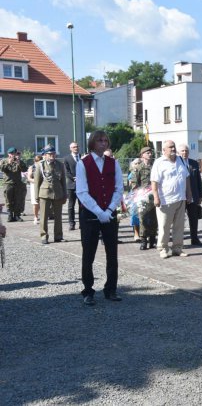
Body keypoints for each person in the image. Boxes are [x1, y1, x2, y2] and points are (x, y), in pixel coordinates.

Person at [76, 130, 124, 305]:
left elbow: (119, 188)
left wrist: (110, 209)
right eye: (99, 141)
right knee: (88, 253)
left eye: (105, 141)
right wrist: (99, 211)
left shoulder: (113, 163)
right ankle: (88, 290)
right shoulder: (83, 164)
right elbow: (81, 191)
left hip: (109, 213)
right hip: (90, 214)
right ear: (92, 143)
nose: (103, 143)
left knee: (112, 253)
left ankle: (111, 289)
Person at [151, 140, 192, 259]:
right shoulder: (159, 162)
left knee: (179, 226)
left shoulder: (181, 160)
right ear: (164, 150)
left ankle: (177, 248)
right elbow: (154, 181)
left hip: (180, 198)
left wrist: (189, 194)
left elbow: (187, 177)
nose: (173, 149)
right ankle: (163, 248)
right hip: (165, 200)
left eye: (174, 147)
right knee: (164, 226)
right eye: (170, 147)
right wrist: (156, 197)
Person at [34, 146, 68, 244]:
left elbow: (63, 181)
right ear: (45, 155)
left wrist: (65, 195)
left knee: (58, 217)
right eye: (50, 154)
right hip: (44, 194)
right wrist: (37, 196)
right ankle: (44, 236)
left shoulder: (60, 165)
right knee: (44, 217)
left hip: (58, 193)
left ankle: (58, 236)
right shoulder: (40, 165)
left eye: (53, 154)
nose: (52, 156)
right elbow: (37, 182)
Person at [178, 144, 202, 246]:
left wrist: (200, 195)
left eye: (186, 151)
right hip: (180, 196)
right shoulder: (176, 163)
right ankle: (179, 240)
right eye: (182, 151)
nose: (185, 153)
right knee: (179, 219)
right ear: (179, 152)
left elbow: (198, 180)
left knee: (194, 218)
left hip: (193, 196)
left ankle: (195, 238)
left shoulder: (194, 163)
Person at [132, 147, 157, 250]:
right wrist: (138, 193)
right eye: (147, 153)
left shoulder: (155, 167)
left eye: (150, 152)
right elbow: (134, 183)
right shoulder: (139, 168)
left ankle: (152, 240)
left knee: (154, 219)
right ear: (142, 155)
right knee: (143, 219)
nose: (150, 154)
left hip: (154, 196)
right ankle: (143, 241)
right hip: (143, 198)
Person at [0, 147, 28, 222]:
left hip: (17, 184)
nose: (13, 155)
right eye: (11, 154)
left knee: (17, 200)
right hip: (8, 183)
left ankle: (17, 215)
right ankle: (10, 215)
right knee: (8, 200)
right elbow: (2, 169)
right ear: (8, 154)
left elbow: (25, 169)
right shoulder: (4, 161)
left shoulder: (19, 161)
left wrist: (19, 164)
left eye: (14, 153)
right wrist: (8, 163)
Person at [63, 142, 81, 231]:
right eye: (74, 147)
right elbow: (66, 171)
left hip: (82, 185)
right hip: (71, 185)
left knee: (82, 205)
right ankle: (71, 223)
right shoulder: (67, 158)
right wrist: (74, 178)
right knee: (71, 205)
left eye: (77, 146)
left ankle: (82, 223)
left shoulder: (82, 157)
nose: (76, 148)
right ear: (70, 148)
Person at [127, 158, 142, 242]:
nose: (137, 165)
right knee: (135, 215)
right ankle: (136, 233)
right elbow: (131, 185)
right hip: (135, 196)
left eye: (139, 163)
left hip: (144, 195)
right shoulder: (132, 174)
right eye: (135, 163)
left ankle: (145, 233)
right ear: (132, 165)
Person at [27, 155, 43, 226]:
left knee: (43, 202)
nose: (38, 163)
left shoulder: (43, 167)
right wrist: (36, 181)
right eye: (37, 161)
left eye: (40, 161)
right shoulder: (32, 167)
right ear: (35, 161)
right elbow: (29, 178)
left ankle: (43, 216)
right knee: (35, 202)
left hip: (43, 185)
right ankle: (35, 217)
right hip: (34, 185)